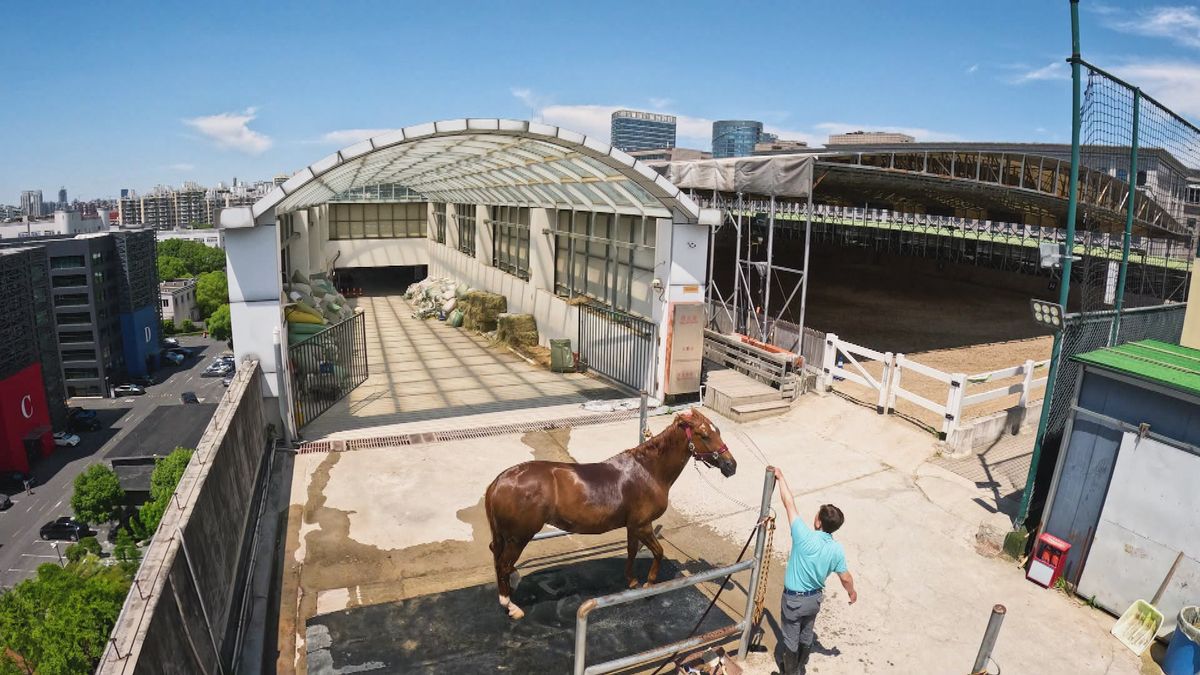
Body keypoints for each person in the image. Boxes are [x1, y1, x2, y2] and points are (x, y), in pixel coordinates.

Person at [771, 466, 856, 675]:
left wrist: (781, 477)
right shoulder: (836, 549)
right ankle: (800, 668)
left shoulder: (803, 535)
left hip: (793, 601)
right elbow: (845, 577)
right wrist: (851, 592)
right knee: (807, 635)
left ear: (818, 521)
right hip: (814, 600)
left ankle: (791, 672)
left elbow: (788, 503)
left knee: (790, 639)